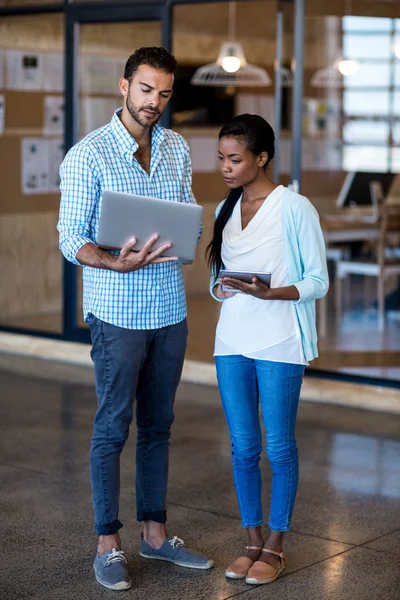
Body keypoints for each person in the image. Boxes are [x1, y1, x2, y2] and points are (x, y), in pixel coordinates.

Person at [58, 47, 213, 592]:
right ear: (124, 87)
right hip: (118, 311)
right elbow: (71, 237)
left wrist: (189, 237)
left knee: (159, 425)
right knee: (112, 424)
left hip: (169, 308)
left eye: (165, 93)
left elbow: (189, 212)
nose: (155, 102)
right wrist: (113, 259)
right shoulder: (88, 155)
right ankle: (108, 543)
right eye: (146, 90)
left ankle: (155, 534)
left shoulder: (175, 146)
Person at [207, 114, 329, 586]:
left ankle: (276, 547)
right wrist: (225, 289)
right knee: (242, 448)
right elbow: (220, 278)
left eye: (235, 159)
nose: (225, 167)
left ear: (262, 158)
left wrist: (269, 293)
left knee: (279, 447)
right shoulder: (225, 208)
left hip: (280, 339)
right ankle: (251, 541)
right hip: (231, 339)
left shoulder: (295, 208)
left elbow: (317, 281)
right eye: (221, 158)